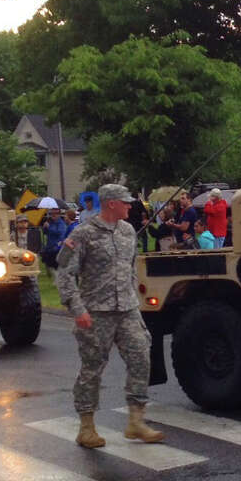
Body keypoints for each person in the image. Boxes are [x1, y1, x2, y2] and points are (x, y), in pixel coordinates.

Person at [55, 183, 165, 448]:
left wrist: (135, 300)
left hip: (126, 309)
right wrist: (77, 308)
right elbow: (64, 273)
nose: (130, 206)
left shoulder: (128, 231)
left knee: (141, 357)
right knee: (92, 369)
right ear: (111, 203)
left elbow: (130, 268)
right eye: (126, 202)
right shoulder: (83, 234)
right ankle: (86, 427)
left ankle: (136, 421)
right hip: (96, 312)